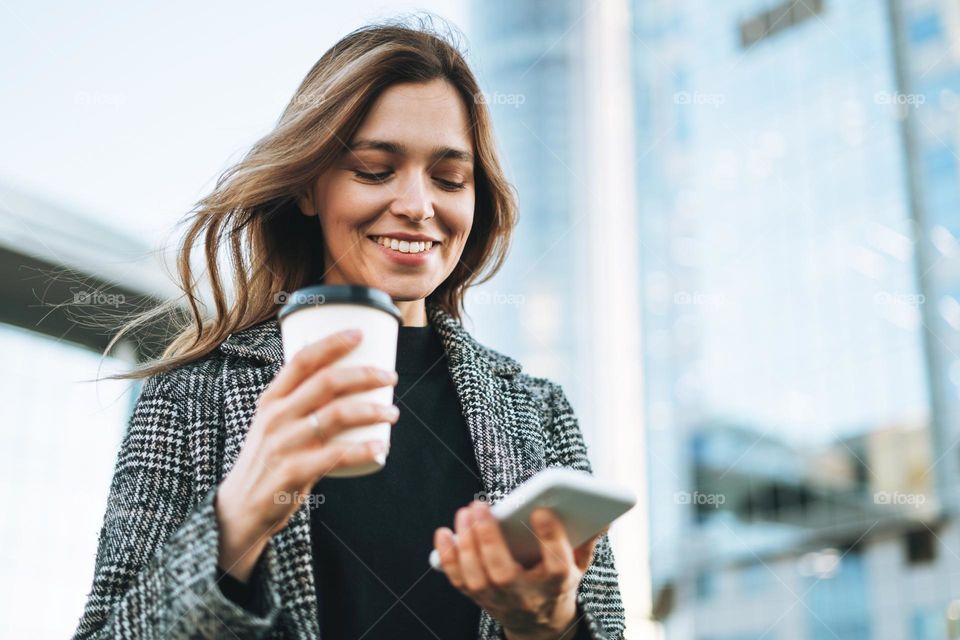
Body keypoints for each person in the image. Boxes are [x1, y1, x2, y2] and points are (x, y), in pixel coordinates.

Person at [72, 16, 626, 640]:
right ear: (310, 188)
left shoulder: (538, 412)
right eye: (373, 169)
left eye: (449, 179)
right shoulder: (191, 399)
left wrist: (547, 625)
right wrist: (239, 517)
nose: (419, 205)